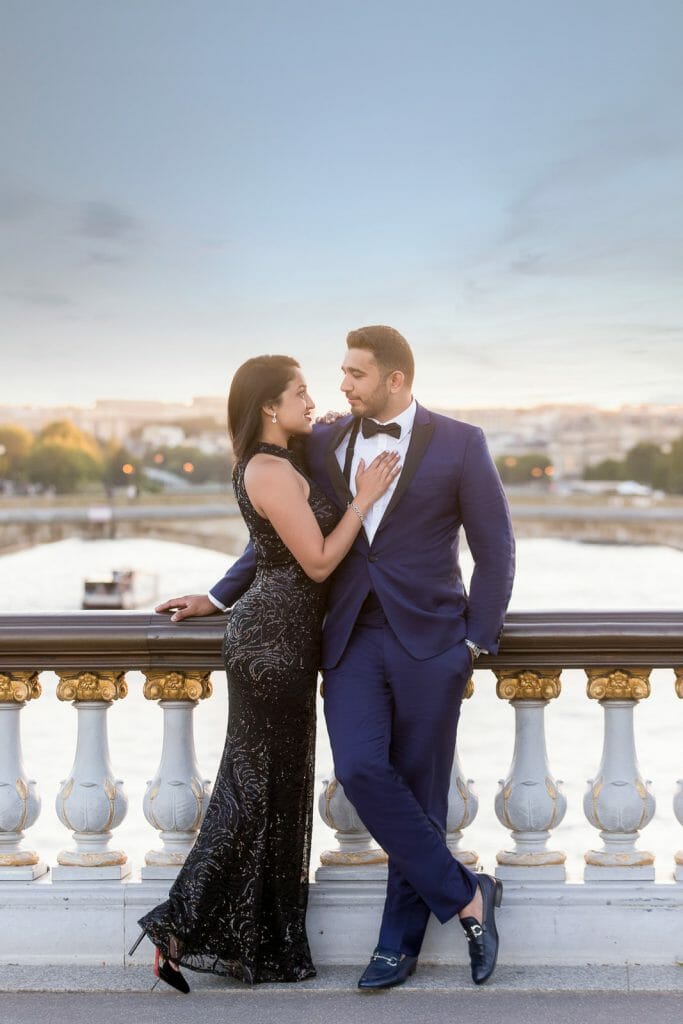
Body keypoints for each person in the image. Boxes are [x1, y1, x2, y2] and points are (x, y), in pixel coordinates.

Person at [161, 326, 515, 989]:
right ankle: (470, 894)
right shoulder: (321, 441)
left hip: (431, 640)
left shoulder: (462, 443)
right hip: (348, 636)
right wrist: (218, 594)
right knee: (358, 768)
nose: (341, 385)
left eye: (356, 374)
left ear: (395, 380)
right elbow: (278, 531)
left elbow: (495, 549)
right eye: (341, 372)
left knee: (421, 790)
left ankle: (396, 946)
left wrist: (473, 641)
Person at [130, 354, 400, 991]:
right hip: (272, 644)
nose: (312, 400)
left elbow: (264, 546)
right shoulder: (269, 469)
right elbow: (317, 562)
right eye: (300, 392)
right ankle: (176, 930)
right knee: (252, 793)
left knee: (276, 790)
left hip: (285, 640)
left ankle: (261, 944)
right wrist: (363, 499)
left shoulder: (282, 461)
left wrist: (214, 597)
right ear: (270, 408)